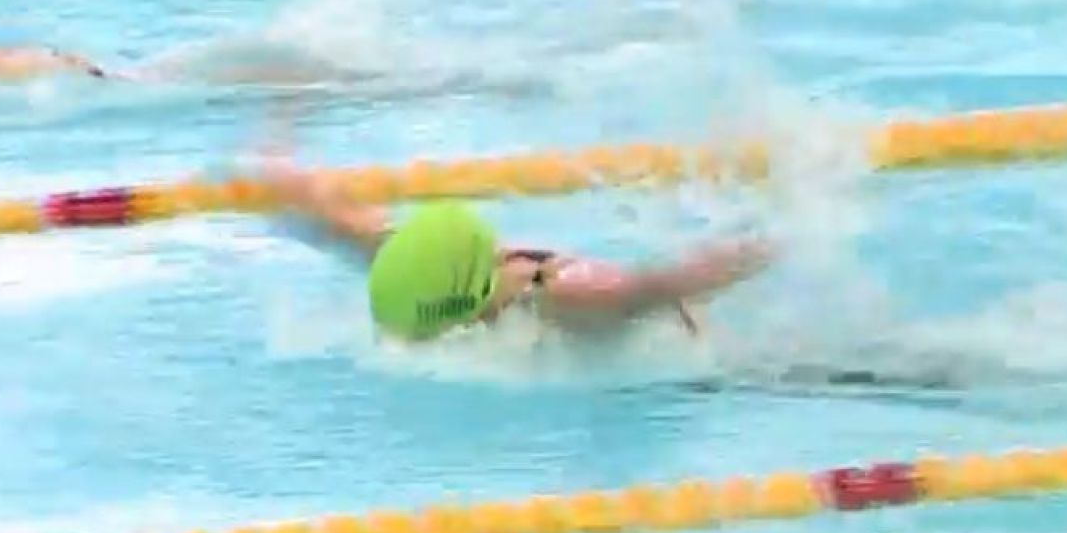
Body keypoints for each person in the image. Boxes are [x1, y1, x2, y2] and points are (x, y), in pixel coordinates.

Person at [258, 154, 777, 342]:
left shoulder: (413, 279)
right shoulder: (562, 298)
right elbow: (661, 285)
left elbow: (328, 212)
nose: (507, 251)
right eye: (493, 253)